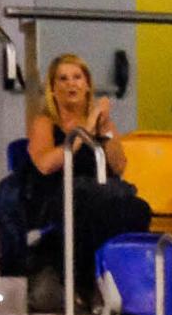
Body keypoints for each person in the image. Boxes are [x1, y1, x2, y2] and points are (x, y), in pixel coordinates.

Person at [18, 52, 148, 299]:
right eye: (63, 79)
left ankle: (121, 285)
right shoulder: (45, 123)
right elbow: (46, 164)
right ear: (53, 89)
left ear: (87, 85)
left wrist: (105, 128)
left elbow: (119, 166)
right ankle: (86, 284)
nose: (71, 84)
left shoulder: (101, 123)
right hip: (59, 194)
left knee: (136, 208)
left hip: (99, 193)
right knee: (87, 205)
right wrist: (86, 128)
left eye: (77, 77)